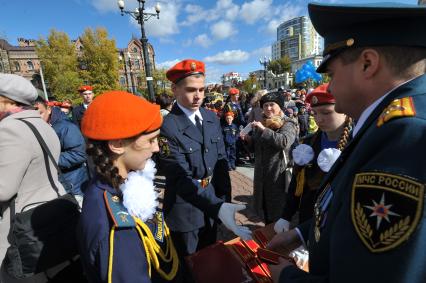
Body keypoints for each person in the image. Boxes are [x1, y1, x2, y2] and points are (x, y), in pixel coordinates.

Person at [268, 3, 426, 283]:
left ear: (368, 63)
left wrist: (288, 277)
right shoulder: (390, 122)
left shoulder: (405, 133)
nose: (328, 87)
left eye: (331, 74)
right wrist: (304, 232)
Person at [159, 59, 251, 278]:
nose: (198, 96)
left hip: (211, 199)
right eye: (191, 90)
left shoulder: (210, 117)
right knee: (191, 265)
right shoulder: (167, 127)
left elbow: (220, 164)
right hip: (185, 207)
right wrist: (217, 207)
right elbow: (180, 178)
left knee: (210, 256)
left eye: (201, 89)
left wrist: (224, 202)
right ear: (174, 89)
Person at [77, 90, 180, 282]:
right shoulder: (116, 228)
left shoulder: (120, 182)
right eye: (151, 140)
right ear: (117, 145)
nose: (156, 148)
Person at [0, 74, 66, 281]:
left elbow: (4, 189)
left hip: (20, 225)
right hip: (50, 213)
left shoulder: (9, 129)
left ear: (5, 100)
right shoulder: (43, 125)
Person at [274, 83, 353, 233]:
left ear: (344, 109)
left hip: (339, 223)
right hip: (308, 217)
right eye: (315, 113)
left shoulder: (357, 143)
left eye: (326, 112)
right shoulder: (307, 143)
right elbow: (297, 183)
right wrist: (286, 215)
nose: (319, 119)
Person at [241, 92, 298, 224]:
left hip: (278, 176)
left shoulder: (288, 122)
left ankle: (279, 239)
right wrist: (248, 140)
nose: (268, 108)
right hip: (262, 176)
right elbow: (255, 147)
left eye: (272, 104)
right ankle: (269, 235)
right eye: (265, 105)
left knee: (278, 212)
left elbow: (284, 141)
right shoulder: (262, 123)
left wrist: (263, 130)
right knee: (266, 210)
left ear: (280, 106)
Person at [35, 99, 89, 205]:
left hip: (73, 185)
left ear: (49, 110)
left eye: (40, 113)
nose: (37, 118)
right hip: (57, 185)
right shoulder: (41, 126)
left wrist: (48, 160)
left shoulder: (65, 127)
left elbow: (79, 154)